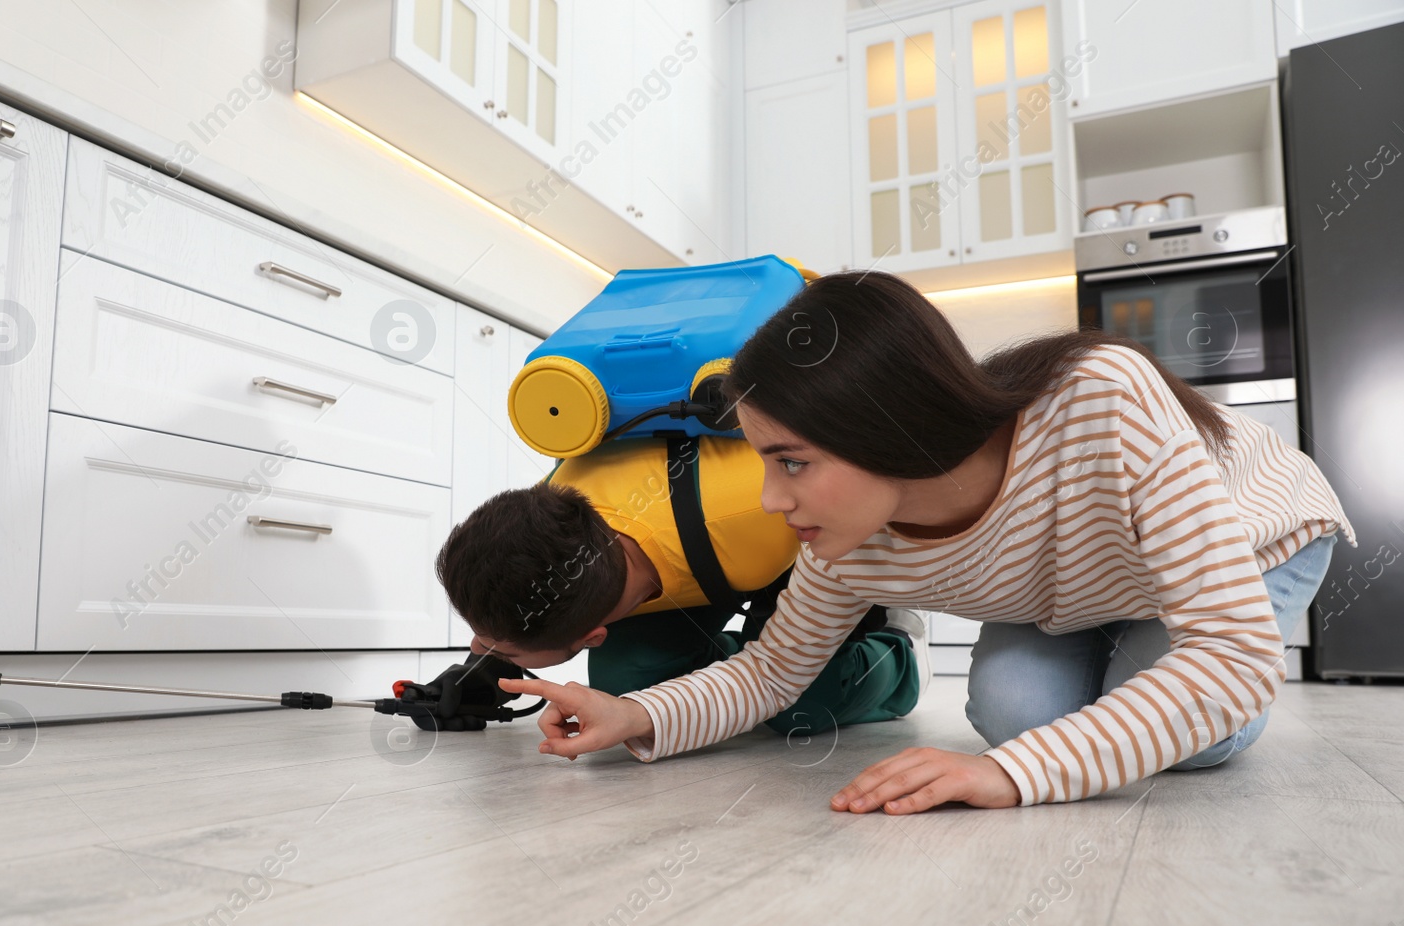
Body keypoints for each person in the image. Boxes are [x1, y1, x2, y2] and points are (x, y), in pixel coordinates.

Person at [497, 271, 1354, 815]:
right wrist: (638, 712)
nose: (769, 497)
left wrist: (1013, 776)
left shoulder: (1101, 396)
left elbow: (1232, 654)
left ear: (884, 422)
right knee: (1015, 716)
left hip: (1253, 531)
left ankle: (1147, 668)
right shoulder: (847, 539)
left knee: (1187, 729)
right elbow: (770, 671)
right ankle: (1125, 661)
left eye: (792, 461)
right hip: (1069, 589)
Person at [435, 431, 930, 743]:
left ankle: (903, 654)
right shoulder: (548, 517)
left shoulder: (766, 511)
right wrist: (481, 675)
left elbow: (781, 671)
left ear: (593, 635)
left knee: (800, 707)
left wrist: (783, 664)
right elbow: (518, 600)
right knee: (626, 690)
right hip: (685, 554)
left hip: (770, 554)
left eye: (487, 643)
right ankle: (719, 680)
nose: (477, 645)